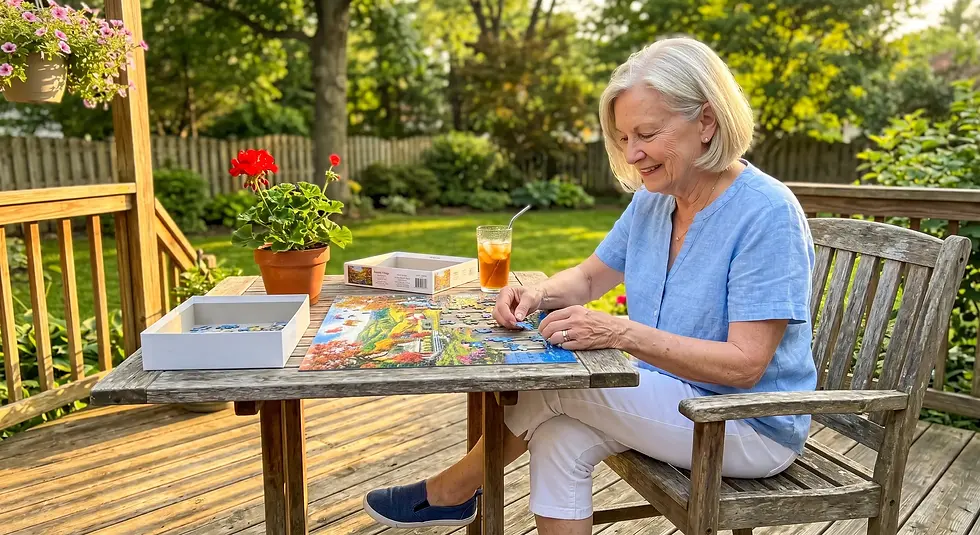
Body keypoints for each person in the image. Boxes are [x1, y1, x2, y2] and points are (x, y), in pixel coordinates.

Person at [362, 35, 817, 535]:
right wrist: (539, 294)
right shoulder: (654, 201)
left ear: (706, 121)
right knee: (557, 438)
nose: (634, 153)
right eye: (624, 138)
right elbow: (587, 276)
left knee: (556, 390)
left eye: (647, 133)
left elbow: (746, 365)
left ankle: (451, 490)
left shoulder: (766, 213)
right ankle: (453, 492)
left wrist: (620, 334)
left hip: (745, 424)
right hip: (670, 398)